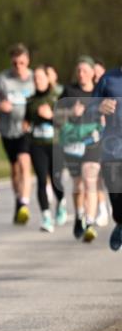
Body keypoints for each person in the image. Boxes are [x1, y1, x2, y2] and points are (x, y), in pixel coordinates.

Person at [57, 57, 103, 243]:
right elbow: (55, 114)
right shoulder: (69, 91)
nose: (81, 74)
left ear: (93, 73)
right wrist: (70, 112)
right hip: (73, 143)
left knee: (89, 180)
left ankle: (89, 223)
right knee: (78, 185)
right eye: (79, 71)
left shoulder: (100, 92)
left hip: (93, 142)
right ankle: (79, 215)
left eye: (85, 71)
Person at [0, 43, 35, 225]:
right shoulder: (2, 79)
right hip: (7, 130)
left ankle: (24, 203)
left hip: (26, 129)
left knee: (24, 162)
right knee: (15, 168)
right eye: (15, 63)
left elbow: (44, 96)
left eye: (22, 63)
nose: (18, 66)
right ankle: (18, 200)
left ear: (28, 61)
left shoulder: (34, 78)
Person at [24, 66, 66, 232]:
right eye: (35, 78)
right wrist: (25, 126)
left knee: (56, 180)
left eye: (40, 78)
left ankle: (61, 203)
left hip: (55, 144)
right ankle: (46, 216)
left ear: (48, 79)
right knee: (41, 180)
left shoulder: (56, 97)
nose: (37, 81)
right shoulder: (30, 100)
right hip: (37, 145)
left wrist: (50, 116)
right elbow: (27, 121)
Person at [93, 63, 122, 251]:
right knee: (116, 198)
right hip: (113, 149)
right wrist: (99, 107)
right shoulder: (108, 78)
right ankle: (120, 223)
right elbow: (89, 107)